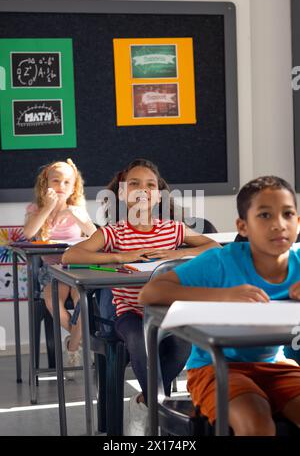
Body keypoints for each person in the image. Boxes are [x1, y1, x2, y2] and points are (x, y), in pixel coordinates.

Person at [62, 158, 219, 434]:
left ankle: (146, 404)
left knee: (183, 343)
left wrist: (177, 253)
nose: (142, 190)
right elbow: (70, 255)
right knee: (139, 339)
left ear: (158, 194)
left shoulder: (173, 229)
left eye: (150, 185)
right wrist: (119, 256)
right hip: (129, 313)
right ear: (122, 193)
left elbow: (213, 246)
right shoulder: (114, 232)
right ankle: (158, 417)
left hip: (166, 312)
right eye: (134, 184)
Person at [139, 175, 300, 436]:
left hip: (277, 367)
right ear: (243, 226)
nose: (278, 225)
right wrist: (223, 295)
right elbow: (150, 292)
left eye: (288, 214)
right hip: (215, 368)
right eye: (265, 216)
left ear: (298, 221)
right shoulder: (221, 262)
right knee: (256, 423)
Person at [23, 158, 96, 378]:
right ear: (46, 184)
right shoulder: (35, 209)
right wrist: (47, 207)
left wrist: (76, 215)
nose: (61, 186)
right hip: (51, 270)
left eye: (67, 182)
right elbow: (29, 234)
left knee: (83, 300)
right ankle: (80, 340)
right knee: (52, 300)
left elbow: (95, 236)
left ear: (74, 186)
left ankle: (72, 346)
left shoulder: (78, 208)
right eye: (56, 181)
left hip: (77, 267)